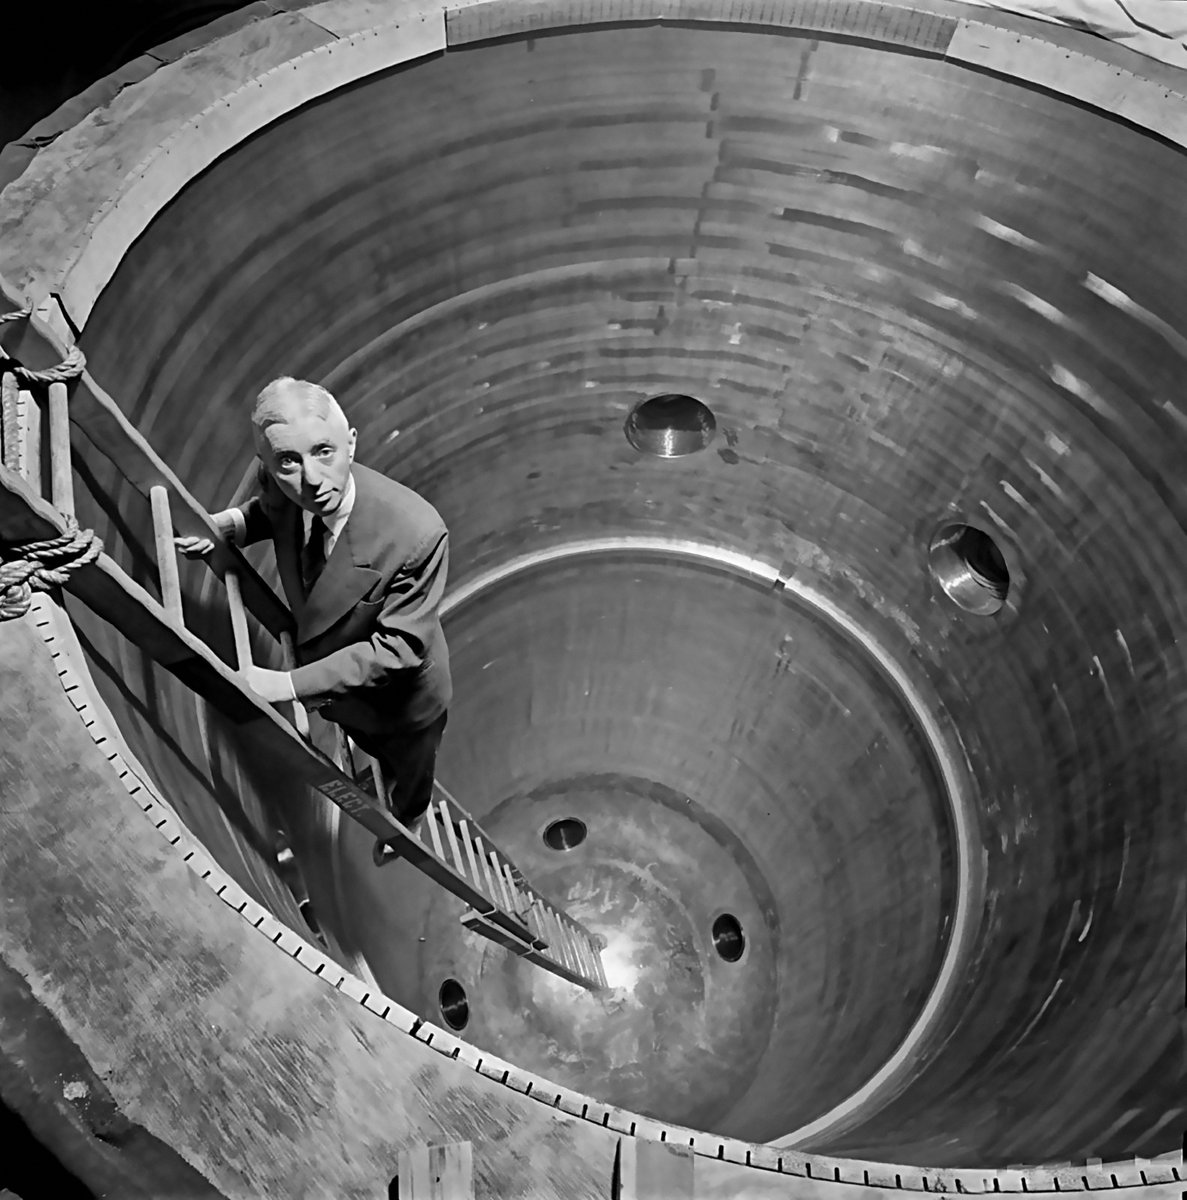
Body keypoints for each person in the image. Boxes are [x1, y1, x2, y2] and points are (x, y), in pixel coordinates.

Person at [176, 377, 451, 827]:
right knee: (362, 735)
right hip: (340, 685)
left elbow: (397, 650)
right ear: (266, 462)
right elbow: (271, 510)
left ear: (351, 444)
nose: (311, 480)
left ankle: (411, 818)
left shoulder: (415, 534)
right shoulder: (285, 482)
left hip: (401, 701)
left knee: (409, 767)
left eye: (325, 452)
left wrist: (286, 686)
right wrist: (229, 526)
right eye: (288, 461)